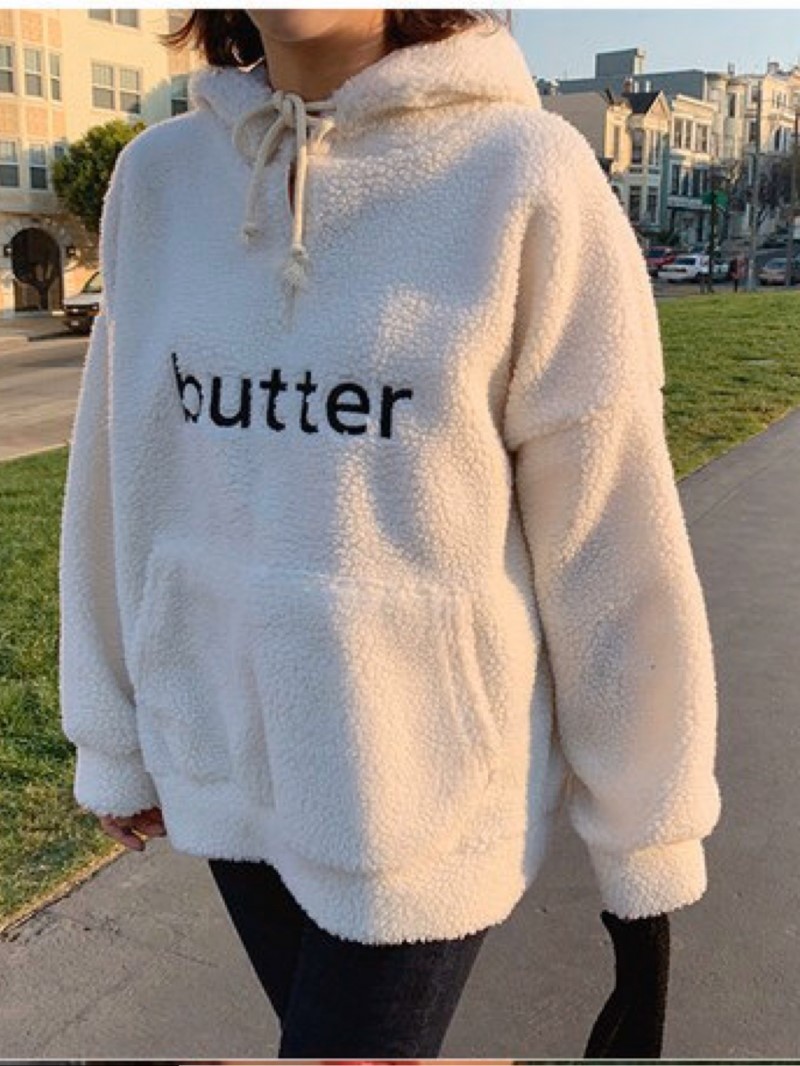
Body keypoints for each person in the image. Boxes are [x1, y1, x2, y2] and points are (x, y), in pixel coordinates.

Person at [57, 7, 721, 1059]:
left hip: (424, 795)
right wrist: (113, 731)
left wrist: (647, 845)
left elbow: (608, 540)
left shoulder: (523, 173)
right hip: (221, 763)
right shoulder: (157, 181)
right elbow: (119, 473)